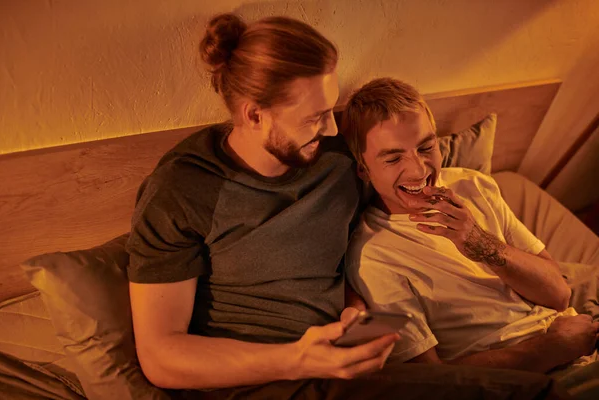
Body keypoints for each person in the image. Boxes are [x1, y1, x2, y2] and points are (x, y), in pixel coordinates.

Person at [126, 14, 571, 399]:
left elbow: (379, 207)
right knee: (529, 394)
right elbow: (162, 356)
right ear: (254, 114)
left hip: (341, 362)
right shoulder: (181, 190)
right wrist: (297, 360)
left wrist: (355, 309)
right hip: (252, 383)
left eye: (331, 109)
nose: (332, 126)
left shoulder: (337, 159)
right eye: (315, 117)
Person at [342, 77, 599, 396]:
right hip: (530, 381)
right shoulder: (373, 256)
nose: (418, 170)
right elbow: (430, 380)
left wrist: (481, 244)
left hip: (582, 343)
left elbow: (559, 293)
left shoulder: (473, 185)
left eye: (426, 147)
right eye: (393, 158)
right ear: (364, 170)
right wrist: (551, 347)